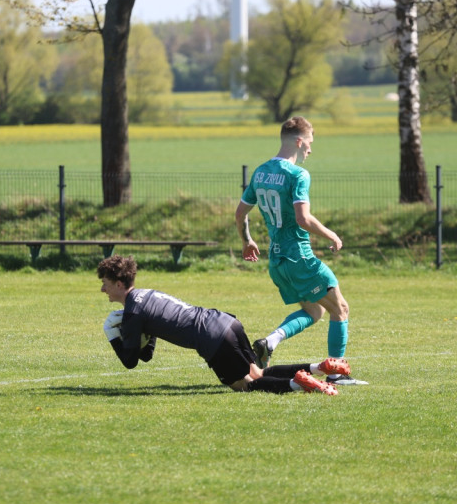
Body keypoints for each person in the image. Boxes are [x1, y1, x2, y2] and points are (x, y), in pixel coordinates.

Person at [97, 254, 352, 395]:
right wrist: (141, 333)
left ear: (119, 285)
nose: (102, 289)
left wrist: (112, 335)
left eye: (105, 284)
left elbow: (132, 361)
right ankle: (320, 367)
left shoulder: (132, 312)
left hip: (211, 339)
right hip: (226, 321)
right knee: (258, 372)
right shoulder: (146, 294)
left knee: (245, 385)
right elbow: (148, 352)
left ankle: (300, 384)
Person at [234, 116, 362, 386]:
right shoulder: (297, 174)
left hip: (277, 261)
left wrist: (247, 240)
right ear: (299, 141)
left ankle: (270, 341)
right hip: (300, 257)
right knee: (341, 309)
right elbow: (303, 219)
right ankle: (336, 373)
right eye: (310, 143)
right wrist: (332, 234)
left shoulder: (260, 172)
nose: (310, 150)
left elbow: (240, 213)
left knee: (315, 312)